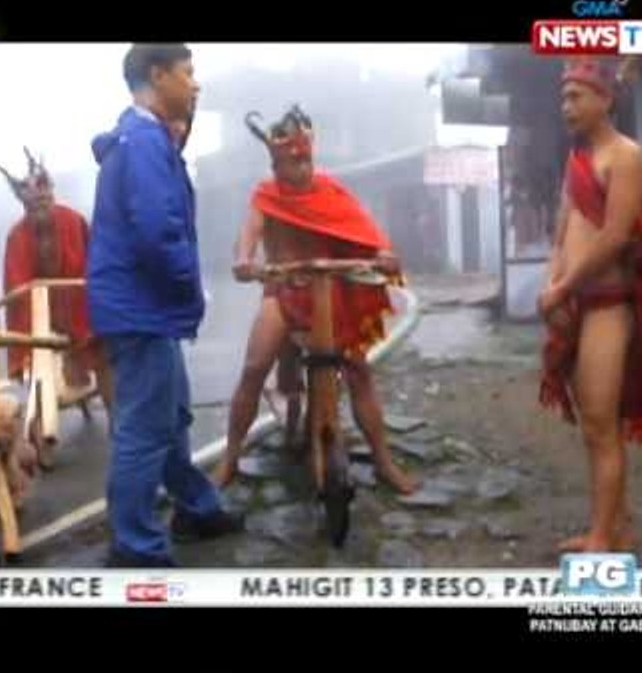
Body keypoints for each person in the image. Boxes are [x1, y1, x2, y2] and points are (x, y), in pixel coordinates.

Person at [538, 57, 642, 553]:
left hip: (610, 304)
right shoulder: (578, 160)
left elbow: (613, 237)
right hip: (574, 301)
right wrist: (554, 285)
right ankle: (612, 528)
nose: (566, 105)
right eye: (563, 96)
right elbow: (563, 230)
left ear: (605, 99)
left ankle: (602, 538)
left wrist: (563, 288)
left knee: (600, 422)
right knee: (593, 425)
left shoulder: (625, 155)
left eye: (576, 96)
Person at [88, 43, 243, 568]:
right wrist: (188, 287)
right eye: (188, 73)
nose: (196, 84)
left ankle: (197, 508)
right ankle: (133, 545)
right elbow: (158, 230)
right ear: (158, 76)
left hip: (143, 306)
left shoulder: (144, 140)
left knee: (171, 417)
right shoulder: (144, 142)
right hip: (141, 308)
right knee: (144, 428)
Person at [213, 105, 417, 495]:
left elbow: (368, 233)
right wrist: (244, 261)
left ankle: (385, 462)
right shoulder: (265, 195)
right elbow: (248, 236)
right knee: (255, 366)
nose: (302, 166)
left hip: (331, 291)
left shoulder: (332, 191)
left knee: (359, 371)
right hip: (283, 289)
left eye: (306, 158)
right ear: (276, 164)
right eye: (293, 160)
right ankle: (230, 458)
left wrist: (383, 254)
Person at [0, 149, 113, 413]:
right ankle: (40, 427)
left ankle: (117, 424)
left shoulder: (74, 220)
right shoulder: (17, 235)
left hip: (79, 307)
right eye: (33, 200)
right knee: (37, 361)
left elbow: (95, 263)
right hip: (40, 314)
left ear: (52, 192)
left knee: (105, 352)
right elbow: (17, 287)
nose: (40, 201)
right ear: (23, 203)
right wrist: (39, 337)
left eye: (45, 194)